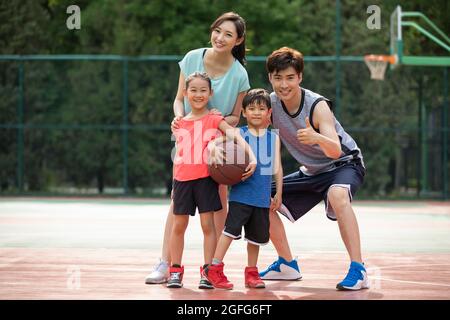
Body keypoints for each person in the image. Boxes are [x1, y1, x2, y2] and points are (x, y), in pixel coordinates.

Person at [145, 12, 250, 287]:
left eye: (228, 34)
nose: (220, 37)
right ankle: (166, 264)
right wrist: (178, 117)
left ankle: (212, 269)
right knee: (176, 206)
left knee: (217, 209)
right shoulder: (192, 57)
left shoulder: (240, 74)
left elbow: (236, 118)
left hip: (217, 144)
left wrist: (214, 129)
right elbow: (179, 100)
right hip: (188, 140)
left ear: (238, 40)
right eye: (218, 31)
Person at [259, 47, 369, 291]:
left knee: (337, 194)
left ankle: (358, 268)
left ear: (299, 77)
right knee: (260, 197)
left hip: (344, 164)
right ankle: (287, 264)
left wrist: (317, 138)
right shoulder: (270, 105)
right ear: (270, 78)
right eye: (278, 78)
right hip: (311, 171)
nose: (284, 84)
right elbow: (255, 133)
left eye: (289, 77)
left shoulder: (317, 106)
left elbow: (335, 151)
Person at [166, 72, 256, 288]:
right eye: (193, 90)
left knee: (208, 225)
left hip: (206, 180)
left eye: (203, 90)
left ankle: (207, 271)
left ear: (210, 93)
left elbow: (234, 135)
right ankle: (175, 270)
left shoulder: (214, 119)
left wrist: (251, 156)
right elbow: (178, 154)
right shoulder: (179, 124)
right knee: (178, 226)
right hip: (182, 181)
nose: (198, 94)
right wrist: (173, 184)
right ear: (186, 94)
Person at [202, 89, 282, 290]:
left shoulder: (274, 138)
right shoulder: (238, 133)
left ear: (268, 112)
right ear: (244, 112)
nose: (256, 112)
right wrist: (212, 148)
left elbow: (277, 167)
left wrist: (278, 192)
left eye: (261, 108)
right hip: (240, 196)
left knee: (255, 239)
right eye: (252, 108)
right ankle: (214, 267)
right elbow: (215, 142)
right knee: (229, 233)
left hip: (262, 198)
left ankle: (252, 273)